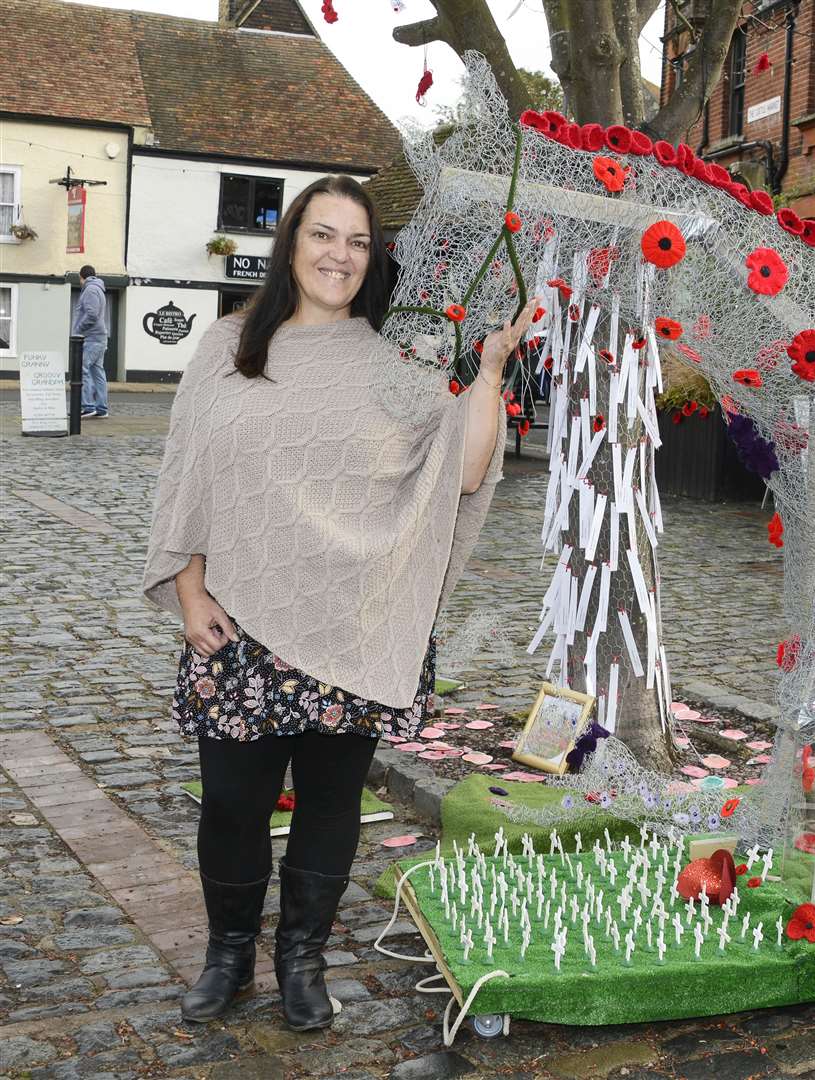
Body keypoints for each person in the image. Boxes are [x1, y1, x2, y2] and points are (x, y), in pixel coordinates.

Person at [141, 175, 536, 1030]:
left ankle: (302, 961)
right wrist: (188, 583)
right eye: (324, 236)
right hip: (238, 626)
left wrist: (492, 371)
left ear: (373, 257)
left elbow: (460, 474)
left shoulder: (399, 366)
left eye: (358, 242)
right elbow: (186, 475)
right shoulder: (226, 346)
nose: (340, 256)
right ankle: (229, 955)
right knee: (233, 805)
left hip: (354, 623)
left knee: (329, 805)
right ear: (291, 244)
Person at [72, 265, 111, 418]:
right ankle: (101, 409)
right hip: (99, 337)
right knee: (97, 372)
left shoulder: (90, 290)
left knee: (82, 370)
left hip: (92, 338)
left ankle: (88, 406)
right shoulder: (99, 289)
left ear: (82, 277)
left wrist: (79, 329)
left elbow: (92, 315)